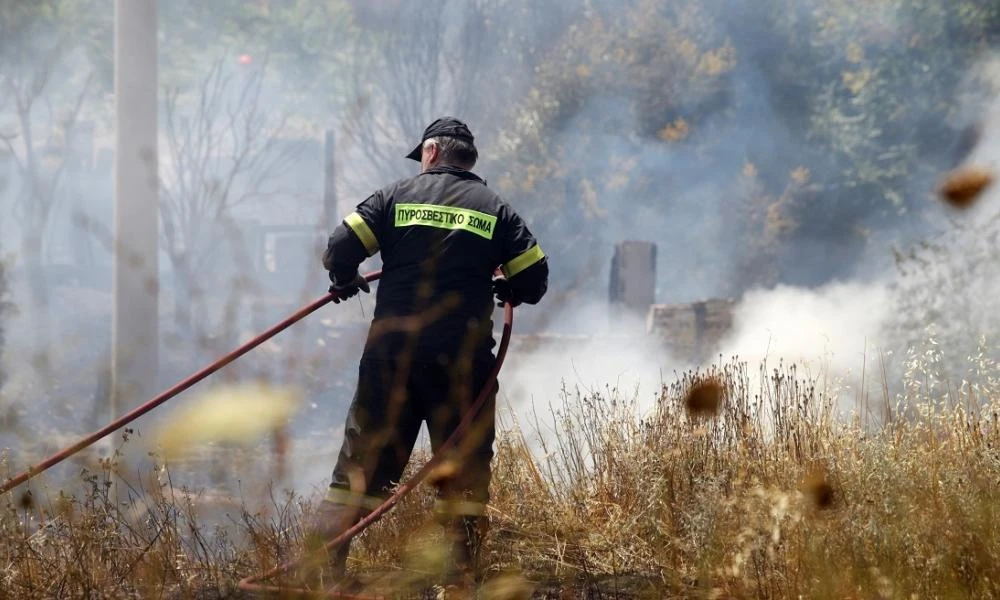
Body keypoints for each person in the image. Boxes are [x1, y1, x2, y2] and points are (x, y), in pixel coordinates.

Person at [310, 116, 549, 584]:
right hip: (462, 366)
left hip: (390, 362)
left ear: (432, 152)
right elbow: (534, 280)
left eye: (421, 154)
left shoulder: (393, 197)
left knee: (361, 469)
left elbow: (340, 247)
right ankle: (458, 582)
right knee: (463, 475)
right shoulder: (496, 210)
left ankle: (321, 576)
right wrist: (505, 286)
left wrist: (344, 280)